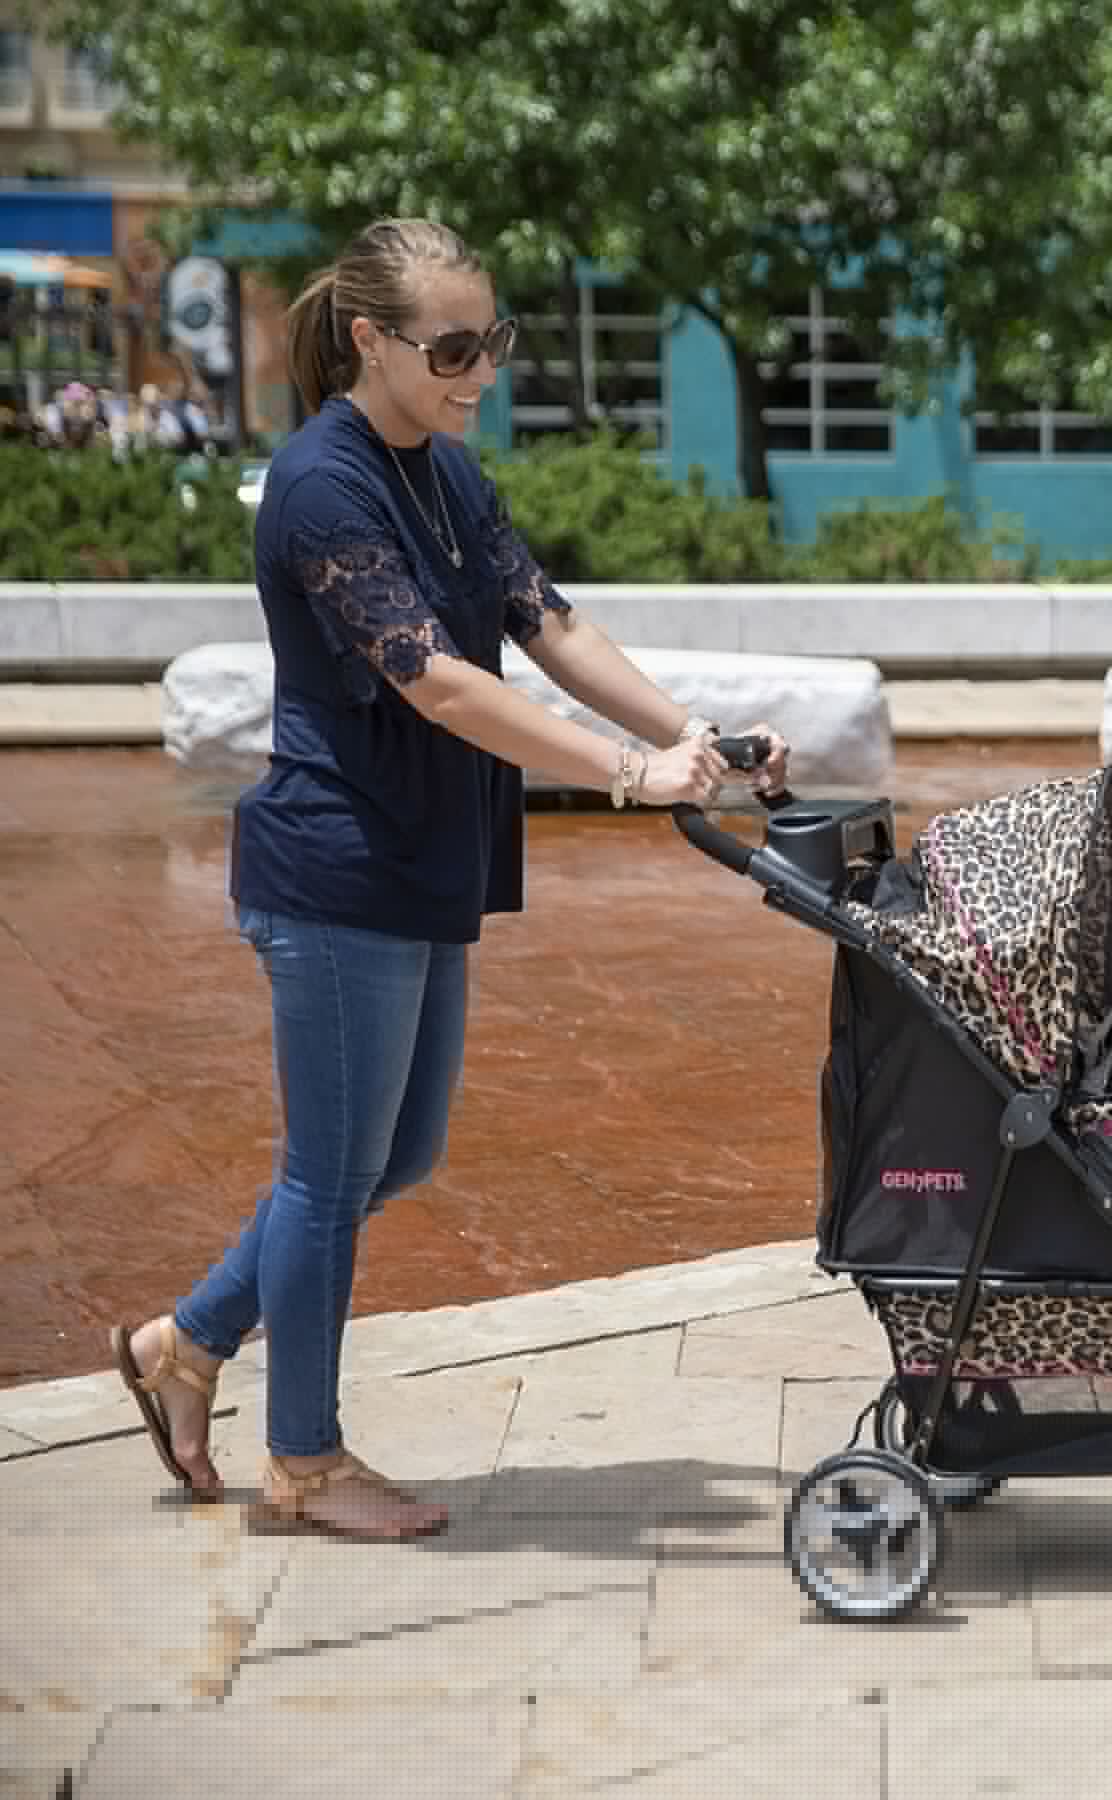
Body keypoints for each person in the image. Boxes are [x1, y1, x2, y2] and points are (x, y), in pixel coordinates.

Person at [110, 217, 789, 1541]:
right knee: (327, 1176)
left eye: (497, 343)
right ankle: (300, 1465)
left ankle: (184, 1348)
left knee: (393, 1156)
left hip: (423, 859)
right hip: (337, 864)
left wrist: (685, 738)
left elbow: (549, 621)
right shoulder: (324, 484)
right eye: (456, 349)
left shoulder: (447, 471)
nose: (484, 371)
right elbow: (432, 676)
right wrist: (613, 771)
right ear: (371, 341)